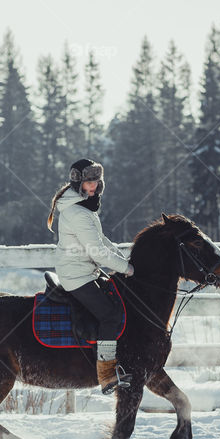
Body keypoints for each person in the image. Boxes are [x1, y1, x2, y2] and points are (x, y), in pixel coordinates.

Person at [46, 158, 134, 394]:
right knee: (111, 315)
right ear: (78, 183)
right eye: (88, 180)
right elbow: (97, 251)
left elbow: (101, 241)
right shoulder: (78, 212)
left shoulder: (84, 207)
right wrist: (127, 269)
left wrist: (124, 259)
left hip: (86, 270)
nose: (93, 184)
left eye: (96, 179)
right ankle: (106, 375)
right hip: (77, 276)